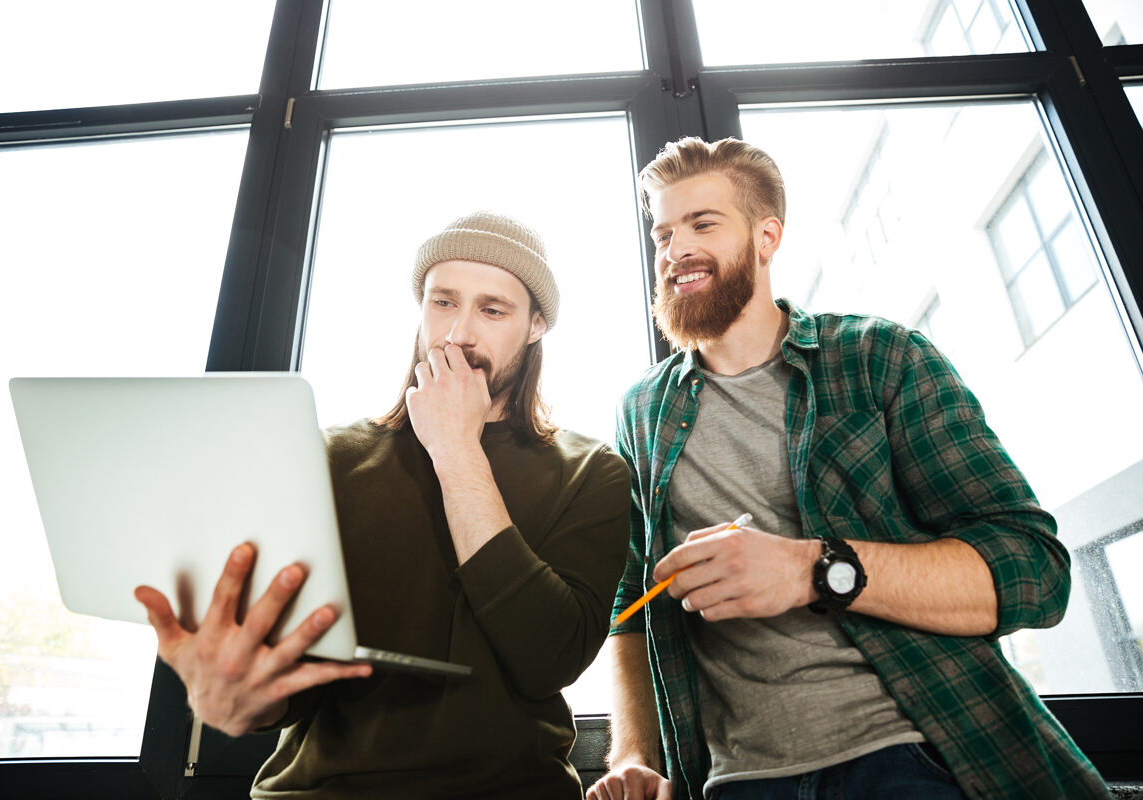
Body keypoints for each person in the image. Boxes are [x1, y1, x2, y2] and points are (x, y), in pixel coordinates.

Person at [588, 137, 1111, 800]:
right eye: (663, 232)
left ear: (767, 236)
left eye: (702, 224)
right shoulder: (641, 412)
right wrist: (634, 756)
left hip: (911, 756)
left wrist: (812, 569)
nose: (674, 249)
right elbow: (632, 608)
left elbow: (1034, 569)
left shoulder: (882, 357)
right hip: (738, 782)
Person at [135, 211, 631, 799]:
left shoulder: (591, 471)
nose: (458, 334)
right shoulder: (328, 456)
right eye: (442, 302)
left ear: (535, 326)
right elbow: (291, 683)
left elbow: (549, 659)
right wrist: (244, 701)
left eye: (492, 310)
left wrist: (455, 450)